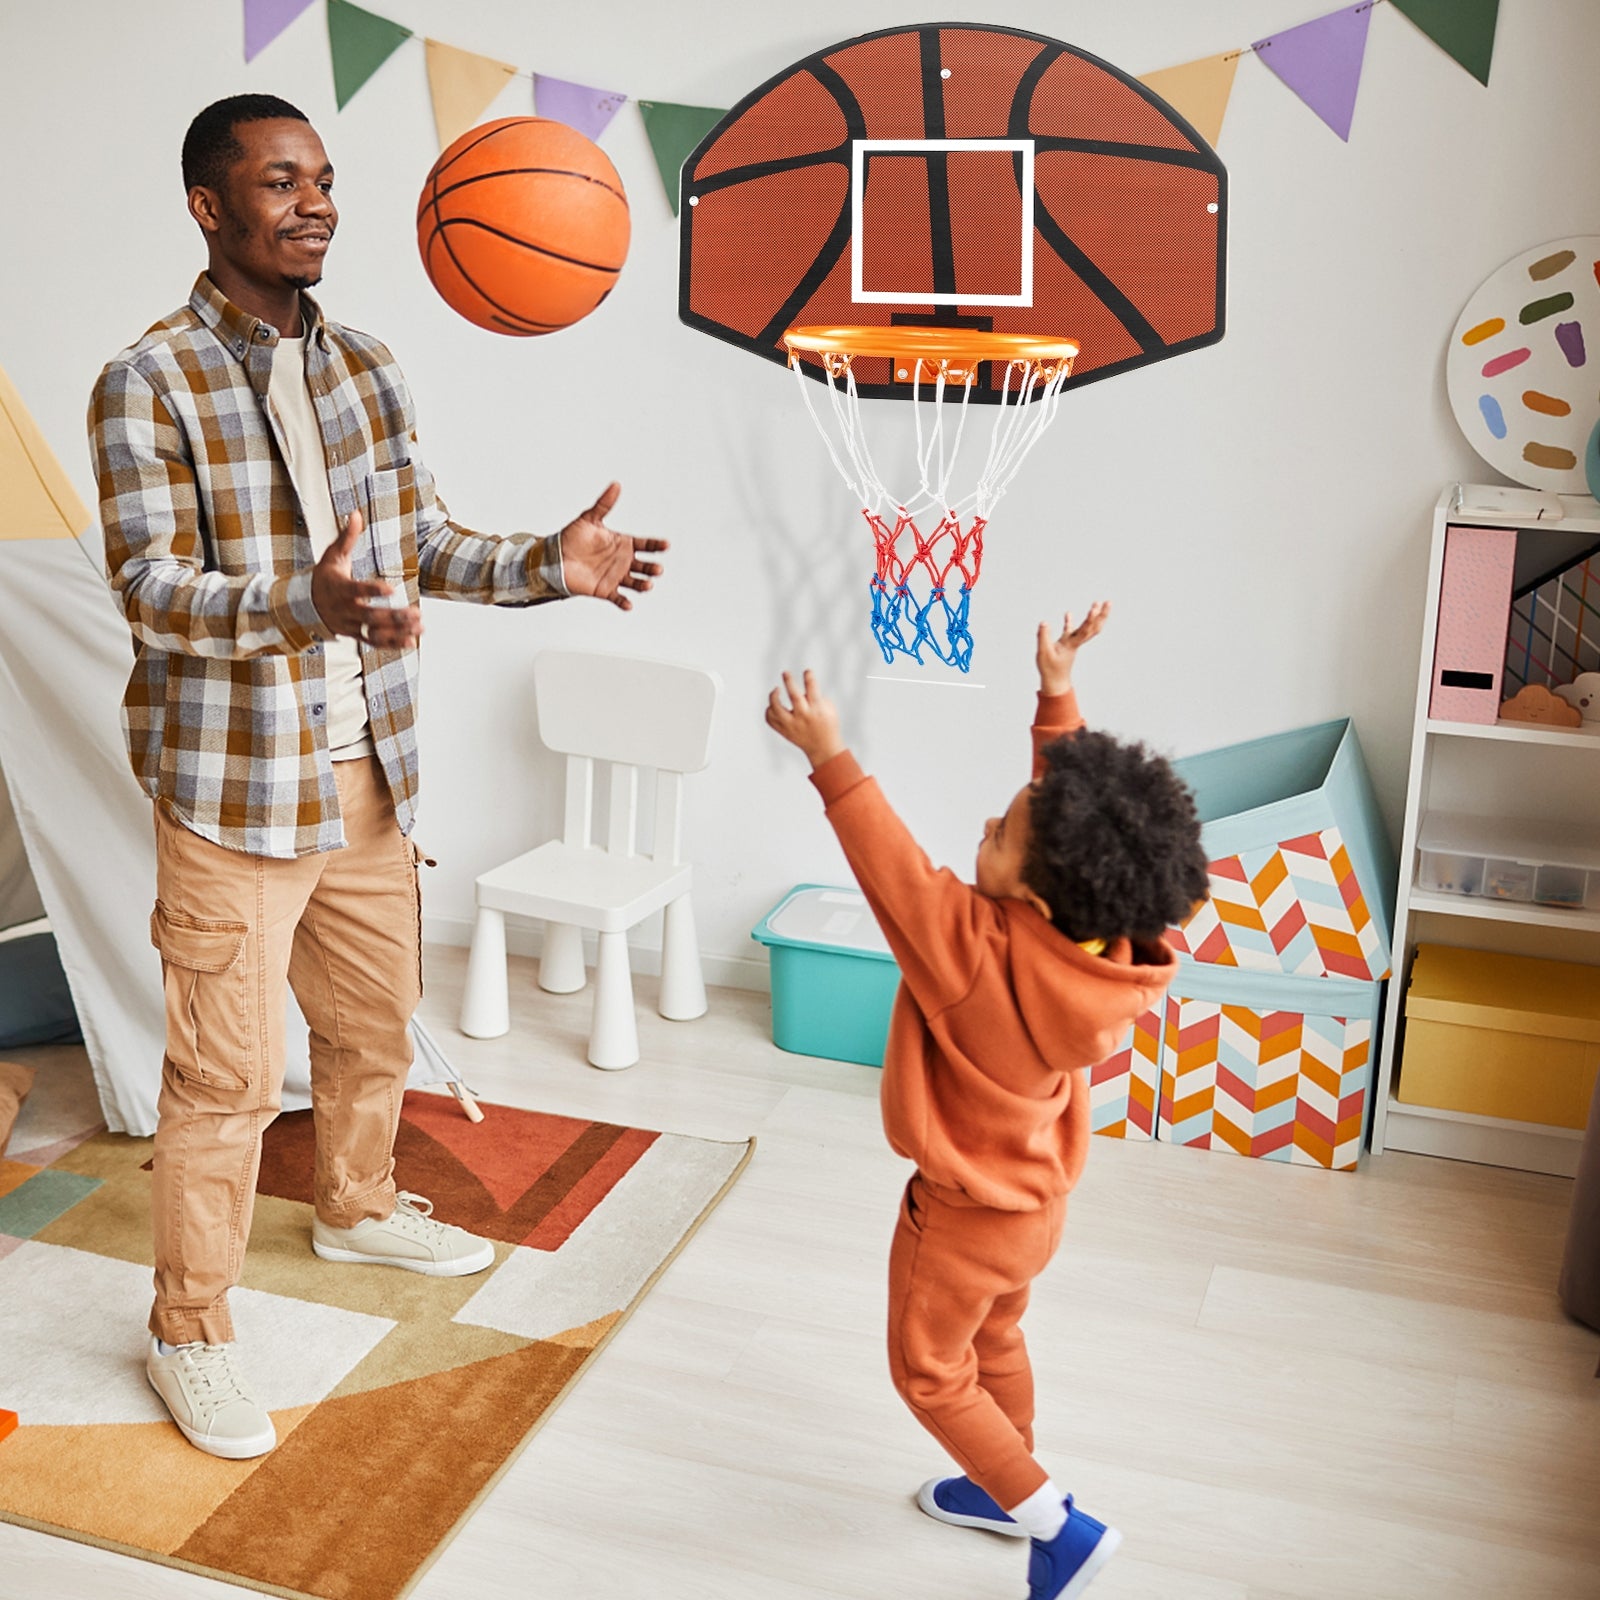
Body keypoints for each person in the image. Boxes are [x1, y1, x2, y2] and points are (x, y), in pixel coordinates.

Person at [87, 93, 667, 1461]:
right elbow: (151, 589)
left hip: (368, 780)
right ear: (208, 209)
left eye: (326, 179)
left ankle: (354, 1210)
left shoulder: (368, 366)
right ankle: (189, 1333)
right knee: (226, 1082)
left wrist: (547, 567)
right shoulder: (148, 379)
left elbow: (420, 544)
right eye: (279, 182)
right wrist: (309, 603)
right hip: (236, 796)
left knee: (371, 1024)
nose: (315, 203)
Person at [764, 605, 1210, 1600]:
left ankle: (1055, 1522)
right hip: (1036, 1205)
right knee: (996, 1338)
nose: (984, 828)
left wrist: (830, 755)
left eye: (1002, 833)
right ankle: (998, 1481)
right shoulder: (1110, 953)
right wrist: (1056, 695)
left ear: (1037, 898)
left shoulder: (970, 957)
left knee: (930, 1370)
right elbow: (1078, 826)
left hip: (960, 1215)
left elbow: (891, 873)